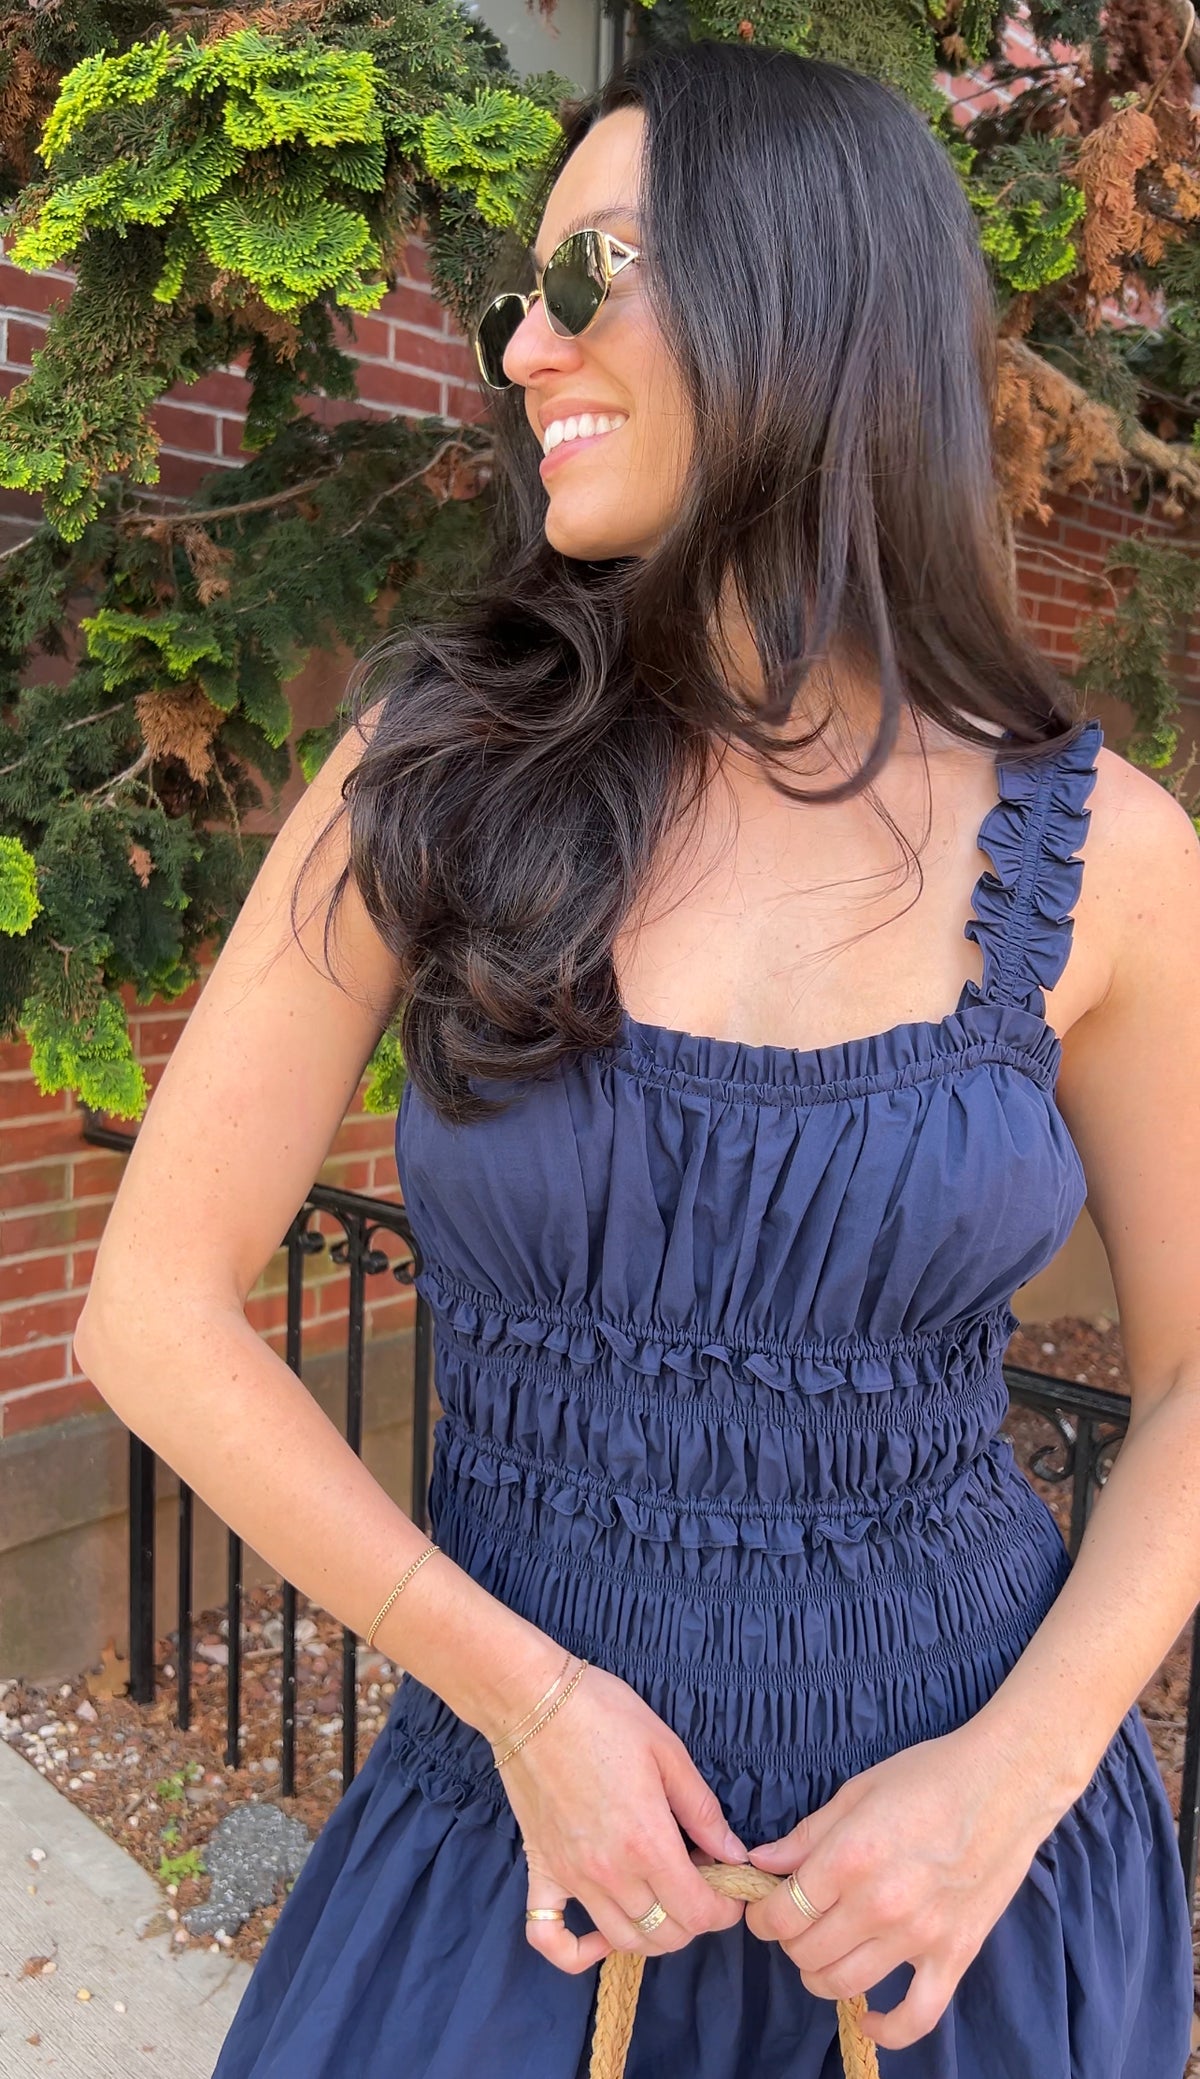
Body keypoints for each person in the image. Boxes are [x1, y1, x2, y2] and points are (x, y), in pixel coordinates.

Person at [74, 37, 1200, 2079]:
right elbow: (150, 1308)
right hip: (518, 1865)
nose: (521, 347)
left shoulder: (1110, 860)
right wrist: (526, 1701)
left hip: (955, 1910)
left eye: (590, 272)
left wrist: (1013, 1779)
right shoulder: (436, 773)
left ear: (806, 295)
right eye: (521, 292)